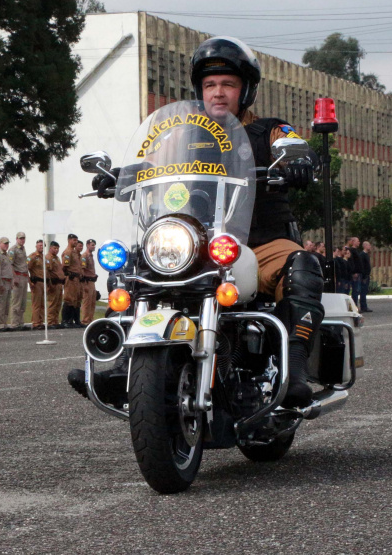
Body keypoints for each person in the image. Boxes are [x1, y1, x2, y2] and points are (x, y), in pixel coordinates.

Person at [84, 37, 321, 409]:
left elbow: (294, 145)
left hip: (258, 245)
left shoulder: (270, 130)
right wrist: (118, 175)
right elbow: (149, 164)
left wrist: (299, 160)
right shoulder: (180, 134)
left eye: (228, 84)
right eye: (210, 85)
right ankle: (124, 362)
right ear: (199, 90)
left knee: (302, 264)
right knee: (134, 266)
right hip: (194, 242)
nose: (218, 93)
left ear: (246, 90)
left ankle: (296, 365)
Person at [0, 237, 14, 331]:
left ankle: (4, 323)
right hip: (2, 281)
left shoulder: (7, 255)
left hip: (8, 281)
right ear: (0, 243)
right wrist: (0, 284)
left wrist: (12, 281)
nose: (6, 245)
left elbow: (9, 269)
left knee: (6, 304)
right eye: (4, 243)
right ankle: (0, 324)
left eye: (7, 243)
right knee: (1, 303)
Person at [9, 232, 31, 330]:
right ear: (16, 239)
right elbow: (10, 264)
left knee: (23, 301)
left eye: (23, 238)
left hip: (24, 276)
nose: (22, 240)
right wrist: (14, 277)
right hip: (17, 276)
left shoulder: (23, 249)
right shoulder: (13, 250)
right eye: (20, 238)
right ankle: (14, 323)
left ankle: (20, 322)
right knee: (16, 301)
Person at [61, 233, 82, 328]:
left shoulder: (74, 252)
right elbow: (64, 267)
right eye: (74, 240)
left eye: (76, 240)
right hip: (71, 278)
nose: (75, 242)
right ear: (69, 240)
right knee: (69, 299)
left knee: (76, 299)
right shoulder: (68, 252)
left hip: (77, 279)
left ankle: (75, 320)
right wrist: (69, 275)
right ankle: (65, 320)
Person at [45, 241, 64, 329]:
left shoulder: (57, 258)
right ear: (50, 248)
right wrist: (50, 283)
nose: (56, 250)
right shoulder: (48, 258)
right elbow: (47, 272)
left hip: (59, 284)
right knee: (52, 303)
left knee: (58, 303)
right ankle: (50, 321)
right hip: (53, 283)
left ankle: (55, 320)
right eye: (54, 248)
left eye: (57, 248)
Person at [27, 239, 46, 330]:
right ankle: (35, 322)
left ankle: (40, 321)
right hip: (36, 282)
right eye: (39, 245)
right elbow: (26, 268)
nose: (41, 247)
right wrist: (29, 281)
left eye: (42, 246)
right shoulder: (33, 256)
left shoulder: (44, 257)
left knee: (42, 304)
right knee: (36, 304)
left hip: (43, 282)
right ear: (36, 246)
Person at [80, 239, 98, 325]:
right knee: (87, 301)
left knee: (92, 301)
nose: (93, 246)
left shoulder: (91, 256)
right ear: (87, 245)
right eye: (92, 245)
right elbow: (83, 270)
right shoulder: (84, 256)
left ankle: (90, 319)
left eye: (94, 245)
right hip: (87, 281)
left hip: (92, 281)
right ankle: (85, 320)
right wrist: (85, 284)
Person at [359, 241, 373, 313]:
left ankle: (365, 306)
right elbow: (362, 266)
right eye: (369, 245)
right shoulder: (362, 255)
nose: (370, 247)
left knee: (365, 291)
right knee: (363, 292)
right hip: (364, 276)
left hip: (367, 275)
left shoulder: (367, 254)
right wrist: (364, 276)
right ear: (365, 246)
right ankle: (363, 306)